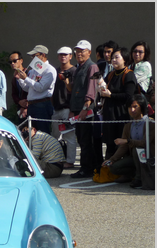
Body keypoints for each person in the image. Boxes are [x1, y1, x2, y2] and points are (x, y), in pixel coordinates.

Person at [102, 94, 154, 189]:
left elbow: (144, 143)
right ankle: (132, 174)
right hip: (134, 157)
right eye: (130, 107)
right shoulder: (128, 125)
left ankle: (139, 178)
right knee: (114, 167)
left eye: (135, 107)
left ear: (142, 107)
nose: (132, 110)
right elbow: (123, 146)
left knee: (136, 149)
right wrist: (111, 160)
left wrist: (127, 141)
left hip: (150, 156)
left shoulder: (150, 123)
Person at [67, 40, 99, 178]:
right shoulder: (79, 67)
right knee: (81, 139)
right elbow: (74, 90)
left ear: (89, 52)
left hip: (87, 110)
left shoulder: (92, 67)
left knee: (86, 140)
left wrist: (85, 108)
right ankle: (86, 167)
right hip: (77, 109)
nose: (79, 53)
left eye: (82, 51)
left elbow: (91, 90)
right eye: (77, 51)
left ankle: (87, 169)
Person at [100, 47, 137, 160]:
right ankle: (109, 170)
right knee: (110, 143)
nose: (114, 60)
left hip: (121, 115)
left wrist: (110, 95)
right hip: (109, 115)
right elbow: (103, 88)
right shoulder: (111, 75)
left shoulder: (129, 75)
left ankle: (123, 171)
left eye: (117, 57)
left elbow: (128, 96)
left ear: (124, 59)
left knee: (121, 144)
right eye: (112, 58)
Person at [15, 45, 56, 134]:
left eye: (35, 56)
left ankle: (46, 148)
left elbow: (40, 87)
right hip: (32, 105)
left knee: (43, 133)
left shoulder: (49, 70)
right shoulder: (34, 70)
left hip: (42, 105)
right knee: (32, 134)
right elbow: (27, 88)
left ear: (43, 55)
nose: (33, 58)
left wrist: (26, 78)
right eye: (32, 56)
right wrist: (20, 79)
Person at [51, 47, 77, 169]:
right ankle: (57, 160)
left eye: (65, 55)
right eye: (61, 55)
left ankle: (70, 161)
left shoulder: (74, 71)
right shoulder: (55, 71)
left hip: (68, 109)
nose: (63, 57)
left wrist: (72, 110)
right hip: (56, 109)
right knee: (54, 137)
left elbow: (74, 91)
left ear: (71, 56)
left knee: (70, 137)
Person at [9, 51, 29, 121]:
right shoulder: (14, 77)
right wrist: (19, 102)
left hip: (29, 107)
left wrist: (26, 105)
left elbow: (32, 89)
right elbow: (14, 94)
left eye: (14, 61)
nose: (12, 64)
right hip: (20, 108)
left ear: (21, 61)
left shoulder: (28, 73)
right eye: (10, 62)